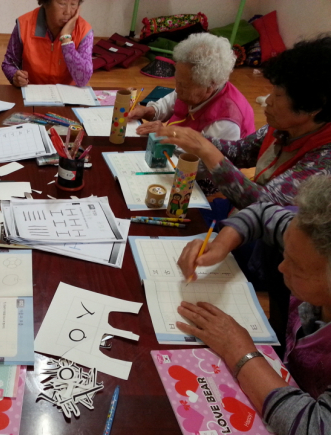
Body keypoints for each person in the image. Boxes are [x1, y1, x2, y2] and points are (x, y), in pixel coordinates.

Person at [175, 175, 331, 434]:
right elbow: (262, 213)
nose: (281, 267)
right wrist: (221, 244)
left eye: (297, 266)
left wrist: (238, 349)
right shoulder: (312, 235)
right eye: (286, 253)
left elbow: (314, 426)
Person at [157, 36, 331, 210]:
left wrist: (207, 151)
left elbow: (265, 206)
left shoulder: (323, 162)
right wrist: (195, 139)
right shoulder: (283, 128)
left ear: (313, 105)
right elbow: (242, 151)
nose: (268, 101)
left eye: (278, 95)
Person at [129, 33, 255, 140]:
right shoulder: (192, 84)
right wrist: (146, 111)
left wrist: (166, 135)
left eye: (183, 86)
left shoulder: (226, 122)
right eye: (177, 82)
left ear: (209, 86)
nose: (177, 90)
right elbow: (168, 104)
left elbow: (201, 157)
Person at [2, 0, 93, 87]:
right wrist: (15, 76)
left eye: (73, 4)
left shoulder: (84, 30)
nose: (68, 12)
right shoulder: (24, 24)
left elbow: (83, 80)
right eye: (62, 3)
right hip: (31, 91)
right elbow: (9, 63)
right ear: (46, 2)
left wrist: (66, 39)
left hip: (68, 94)